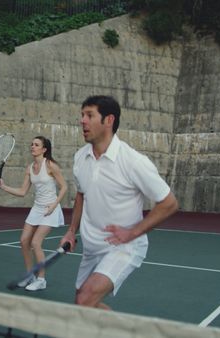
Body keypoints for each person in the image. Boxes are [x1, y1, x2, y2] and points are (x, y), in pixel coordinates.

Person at [59, 95, 179, 309]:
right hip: (91, 245)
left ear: (109, 120)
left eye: (89, 115)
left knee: (85, 298)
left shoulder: (133, 162)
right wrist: (71, 230)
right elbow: (82, 194)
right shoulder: (80, 158)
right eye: (82, 115)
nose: (82, 121)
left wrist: (132, 233)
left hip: (124, 246)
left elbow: (169, 203)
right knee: (83, 303)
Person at [0, 136, 68, 291]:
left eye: (36, 145)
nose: (32, 146)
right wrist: (4, 187)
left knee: (36, 243)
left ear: (44, 149)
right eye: (32, 144)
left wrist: (54, 205)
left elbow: (64, 187)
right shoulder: (29, 168)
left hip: (51, 208)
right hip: (36, 208)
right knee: (23, 241)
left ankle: (41, 279)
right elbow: (23, 192)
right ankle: (30, 276)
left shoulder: (51, 165)